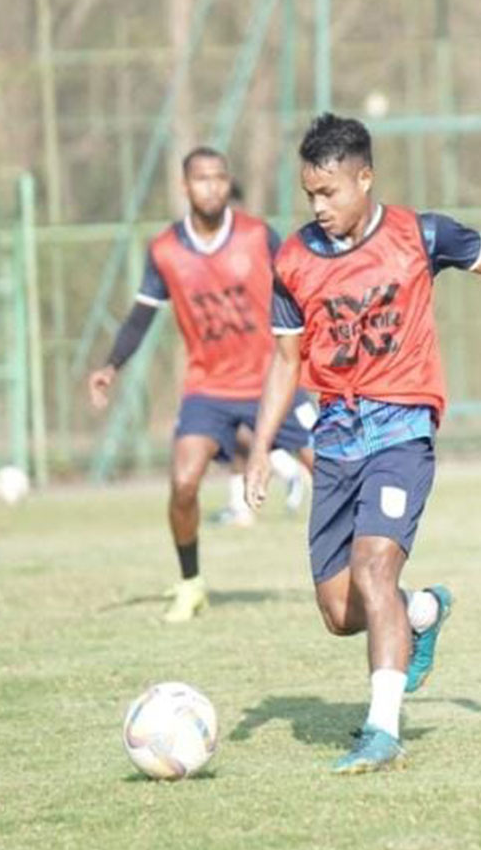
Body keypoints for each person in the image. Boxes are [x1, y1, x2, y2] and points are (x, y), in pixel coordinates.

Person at [243, 113, 481, 773]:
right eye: (310, 195)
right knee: (338, 611)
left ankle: (382, 731)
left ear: (365, 179)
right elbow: (283, 361)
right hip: (335, 438)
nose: (318, 206)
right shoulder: (293, 260)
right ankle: (420, 612)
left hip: (403, 427)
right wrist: (259, 449)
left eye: (330, 192)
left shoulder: (420, 234)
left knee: (372, 568)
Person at [88, 147, 316, 623]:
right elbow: (141, 316)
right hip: (207, 390)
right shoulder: (166, 250)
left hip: (270, 381)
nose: (211, 187)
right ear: (184, 186)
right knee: (184, 481)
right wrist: (111, 365)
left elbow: (300, 289)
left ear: (228, 183)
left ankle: (360, 570)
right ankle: (191, 584)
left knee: (334, 467)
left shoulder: (256, 236)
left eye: (218, 178)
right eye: (201, 179)